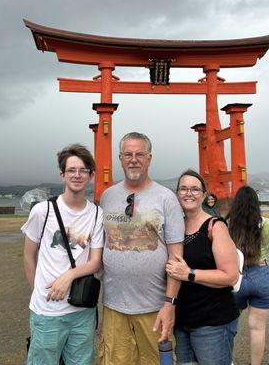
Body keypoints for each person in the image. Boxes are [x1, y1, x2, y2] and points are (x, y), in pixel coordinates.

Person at [98, 132, 184, 365]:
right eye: (128, 154)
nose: (133, 159)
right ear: (120, 158)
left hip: (154, 307)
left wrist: (170, 304)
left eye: (139, 154)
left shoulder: (166, 198)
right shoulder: (107, 197)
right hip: (114, 305)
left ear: (149, 158)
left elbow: (177, 258)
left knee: (156, 360)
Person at [22, 144, 104, 365]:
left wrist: (68, 276)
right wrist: (37, 291)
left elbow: (95, 261)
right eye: (71, 170)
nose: (77, 175)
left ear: (91, 175)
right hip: (47, 312)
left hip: (82, 311)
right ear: (62, 174)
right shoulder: (43, 211)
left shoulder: (97, 214)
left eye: (83, 170)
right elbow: (29, 256)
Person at [166, 169, 239, 365]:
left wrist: (189, 274)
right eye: (183, 189)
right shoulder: (174, 227)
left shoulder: (215, 226)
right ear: (176, 194)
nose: (188, 193)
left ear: (204, 195)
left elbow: (230, 276)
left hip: (213, 320)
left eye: (195, 189)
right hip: (182, 320)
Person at [227, 185, 269, 365]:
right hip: (262, 274)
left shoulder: (228, 225)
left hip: (236, 276)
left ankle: (229, 361)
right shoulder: (268, 223)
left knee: (228, 326)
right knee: (258, 329)